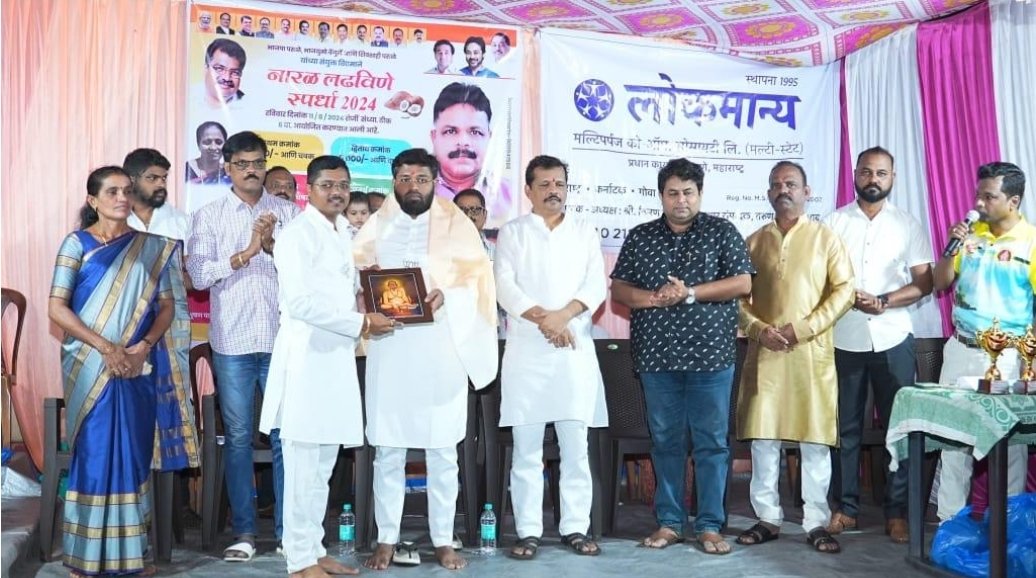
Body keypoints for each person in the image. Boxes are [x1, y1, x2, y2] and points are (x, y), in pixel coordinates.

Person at [49, 166, 198, 577]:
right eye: (112, 191)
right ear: (92, 200)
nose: (121, 197)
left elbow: (167, 306)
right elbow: (56, 307)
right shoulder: (76, 244)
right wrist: (106, 348)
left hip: (137, 365)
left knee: (132, 453)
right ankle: (85, 560)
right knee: (95, 452)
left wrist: (142, 347)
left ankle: (130, 558)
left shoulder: (153, 247)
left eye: (127, 191)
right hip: (89, 363)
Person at [354, 148, 497, 571]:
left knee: (443, 449)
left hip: (440, 346)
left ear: (435, 182)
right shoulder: (377, 224)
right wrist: (363, 293)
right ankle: (386, 537)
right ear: (393, 182)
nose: (411, 186)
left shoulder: (457, 224)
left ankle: (443, 539)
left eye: (420, 178)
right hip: (391, 347)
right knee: (388, 447)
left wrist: (445, 294)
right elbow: (355, 271)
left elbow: (479, 280)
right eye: (403, 178)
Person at [260, 155, 396, 578]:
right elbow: (301, 303)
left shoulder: (341, 233)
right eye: (327, 185)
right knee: (302, 465)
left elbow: (343, 290)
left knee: (322, 467)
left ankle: (314, 550)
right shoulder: (296, 235)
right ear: (310, 189)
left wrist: (369, 285)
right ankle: (298, 561)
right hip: (306, 361)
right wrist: (362, 322)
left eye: (343, 186)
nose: (337, 193)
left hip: (336, 360)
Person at [611, 158, 753, 555]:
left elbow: (743, 282)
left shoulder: (722, 232)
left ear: (700, 194)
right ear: (661, 196)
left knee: (711, 443)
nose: (681, 200)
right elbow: (619, 290)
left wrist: (689, 293)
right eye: (672, 193)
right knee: (666, 442)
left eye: (688, 192)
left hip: (711, 358)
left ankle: (709, 525)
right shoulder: (641, 236)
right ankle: (670, 522)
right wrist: (654, 298)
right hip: (657, 358)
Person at [187, 131, 301, 562]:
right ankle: (245, 533)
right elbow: (199, 277)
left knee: (286, 437)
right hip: (232, 342)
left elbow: (307, 276)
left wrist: (273, 249)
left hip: (281, 340)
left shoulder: (290, 214)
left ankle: (290, 533)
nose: (251, 170)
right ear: (228, 167)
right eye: (242, 164)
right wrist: (247, 252)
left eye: (258, 163)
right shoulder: (208, 215)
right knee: (237, 438)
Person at [736, 161, 854, 554]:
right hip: (766, 353)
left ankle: (816, 521)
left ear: (807, 192)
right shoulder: (753, 242)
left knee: (814, 440)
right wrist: (759, 330)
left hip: (810, 353)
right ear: (768, 193)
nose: (783, 190)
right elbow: (738, 298)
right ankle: (768, 518)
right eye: (776, 184)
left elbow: (844, 291)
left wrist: (801, 328)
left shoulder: (826, 238)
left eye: (791, 183)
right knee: (764, 438)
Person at [495, 155, 608, 559]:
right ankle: (528, 530)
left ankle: (575, 527)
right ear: (528, 190)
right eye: (544, 184)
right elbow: (504, 286)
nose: (553, 191)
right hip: (528, 352)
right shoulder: (513, 233)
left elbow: (595, 285)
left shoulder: (584, 230)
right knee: (527, 448)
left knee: (575, 446)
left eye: (559, 183)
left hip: (573, 352)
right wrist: (547, 320)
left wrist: (563, 317)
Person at [823, 147, 934, 544]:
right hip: (845, 336)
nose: (873, 179)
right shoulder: (833, 222)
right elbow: (821, 277)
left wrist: (884, 300)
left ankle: (897, 512)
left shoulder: (907, 224)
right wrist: (849, 296)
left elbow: (925, 282)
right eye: (867, 172)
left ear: (893, 178)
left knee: (898, 428)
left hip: (894, 336)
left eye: (881, 173)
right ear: (855, 175)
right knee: (844, 428)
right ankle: (845, 508)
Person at [932, 161, 1032, 522]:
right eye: (978, 195)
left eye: (989, 197)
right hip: (961, 349)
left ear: (1013, 201)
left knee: (1008, 445)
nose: (979, 203)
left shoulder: (1031, 242)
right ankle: (949, 525)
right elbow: (940, 284)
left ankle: (1009, 526)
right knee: (953, 442)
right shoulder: (969, 236)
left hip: (1009, 358)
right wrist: (950, 248)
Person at [430, 82, 511, 225]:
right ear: (434, 137)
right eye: (451, 131)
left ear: (489, 138)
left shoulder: (509, 195)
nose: (463, 142)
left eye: (475, 132)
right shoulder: (418, 192)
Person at [124, 148, 190, 241]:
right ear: (131, 180)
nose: (161, 184)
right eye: (152, 178)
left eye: (164, 178)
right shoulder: (114, 219)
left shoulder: (181, 221)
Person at [199, 38, 247, 109]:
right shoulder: (188, 97)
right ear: (205, 69)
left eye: (235, 72)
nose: (227, 78)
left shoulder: (250, 105)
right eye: (220, 69)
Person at [453, 188, 491, 256]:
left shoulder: (498, 252)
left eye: (475, 210)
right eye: (462, 210)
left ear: (485, 215)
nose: (468, 215)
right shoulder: (439, 251)